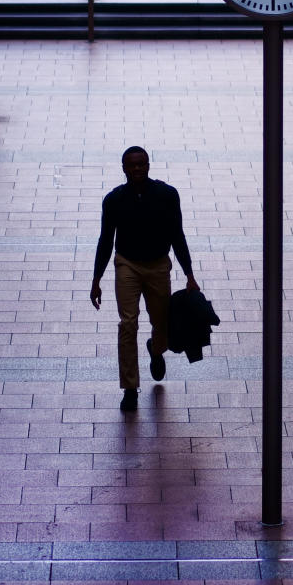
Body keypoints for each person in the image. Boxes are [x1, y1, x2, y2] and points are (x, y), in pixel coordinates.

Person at [90, 147, 200, 412]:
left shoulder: (167, 195)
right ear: (124, 168)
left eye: (141, 164)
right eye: (132, 165)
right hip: (127, 264)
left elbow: (177, 235)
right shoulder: (114, 200)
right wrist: (96, 279)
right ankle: (130, 388)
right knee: (128, 324)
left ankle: (156, 347)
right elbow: (106, 241)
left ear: (149, 165)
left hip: (158, 264)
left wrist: (189, 274)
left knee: (160, 320)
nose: (137, 169)